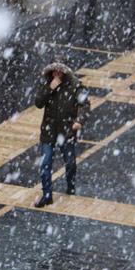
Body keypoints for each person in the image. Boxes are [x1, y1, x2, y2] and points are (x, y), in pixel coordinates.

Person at [34, 57, 90, 207]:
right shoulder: (47, 84)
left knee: (70, 162)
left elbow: (84, 104)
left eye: (60, 71)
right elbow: (38, 103)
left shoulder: (75, 86)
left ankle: (70, 185)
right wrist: (49, 88)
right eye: (55, 71)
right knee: (45, 164)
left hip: (66, 131)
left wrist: (79, 121)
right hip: (49, 130)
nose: (57, 74)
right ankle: (47, 194)